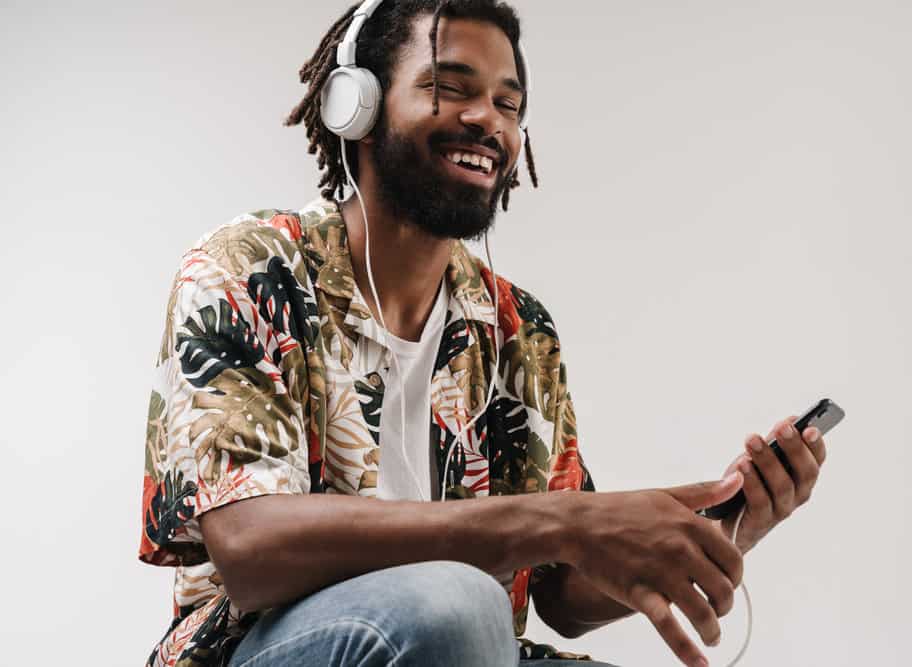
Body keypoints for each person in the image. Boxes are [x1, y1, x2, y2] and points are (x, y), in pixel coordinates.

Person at [137, 2, 829, 666]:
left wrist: (715, 529)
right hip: (258, 650)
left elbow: (561, 591)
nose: (485, 120)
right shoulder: (250, 267)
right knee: (460, 603)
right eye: (449, 87)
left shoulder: (517, 331)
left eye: (508, 103)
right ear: (359, 108)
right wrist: (563, 519)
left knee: (474, 617)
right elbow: (250, 547)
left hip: (471, 649)